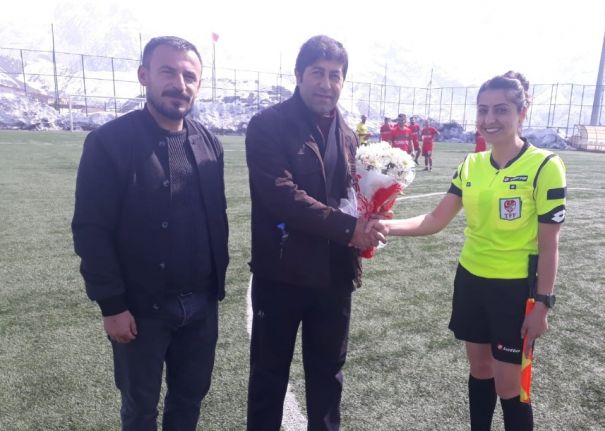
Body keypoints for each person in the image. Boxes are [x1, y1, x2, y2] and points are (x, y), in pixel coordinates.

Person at [372, 71, 566, 430]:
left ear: (522, 113)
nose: (490, 119)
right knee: (479, 369)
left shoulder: (545, 166)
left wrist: (542, 304)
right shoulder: (471, 164)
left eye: (501, 110)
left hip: (514, 289)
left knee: (510, 386)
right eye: (483, 110)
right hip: (471, 281)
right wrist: (385, 226)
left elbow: (549, 244)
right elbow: (434, 219)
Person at [71, 36, 229, 431]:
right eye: (168, 72)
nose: (180, 84)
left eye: (189, 76)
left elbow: (215, 218)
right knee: (140, 409)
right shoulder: (109, 143)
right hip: (141, 309)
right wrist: (112, 305)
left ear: (199, 84)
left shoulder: (209, 143)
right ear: (144, 76)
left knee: (189, 402)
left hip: (200, 305)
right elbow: (91, 229)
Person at [244, 35, 386, 431]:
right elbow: (281, 194)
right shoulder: (268, 125)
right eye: (317, 73)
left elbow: (352, 195)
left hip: (334, 277)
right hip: (281, 275)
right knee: (268, 377)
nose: (326, 84)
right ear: (298, 75)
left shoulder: (348, 135)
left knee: (328, 376)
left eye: (335, 75)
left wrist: (373, 214)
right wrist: (349, 228)